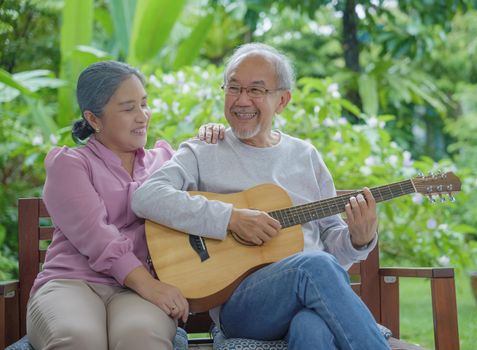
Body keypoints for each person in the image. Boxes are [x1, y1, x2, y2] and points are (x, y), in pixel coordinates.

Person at [132, 43, 390, 349]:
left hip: (306, 297)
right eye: (234, 88)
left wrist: (357, 241)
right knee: (315, 266)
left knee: (312, 328)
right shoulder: (204, 150)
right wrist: (231, 218)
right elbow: (147, 196)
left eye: (256, 90)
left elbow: (332, 246)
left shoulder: (305, 156)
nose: (242, 100)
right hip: (241, 307)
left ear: (282, 100)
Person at [27, 60, 224, 350]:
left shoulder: (165, 161)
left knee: (141, 339)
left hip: (137, 296)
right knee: (79, 339)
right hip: (72, 283)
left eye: (144, 104)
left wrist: (214, 136)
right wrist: (152, 286)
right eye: (128, 108)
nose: (143, 116)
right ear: (94, 119)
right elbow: (98, 237)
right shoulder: (70, 164)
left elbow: (216, 192)